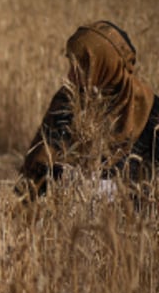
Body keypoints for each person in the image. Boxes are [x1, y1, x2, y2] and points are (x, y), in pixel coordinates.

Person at [18, 21, 159, 202]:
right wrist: (67, 178)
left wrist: (115, 192)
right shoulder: (66, 101)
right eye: (70, 65)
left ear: (106, 68)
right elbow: (35, 176)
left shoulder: (152, 115)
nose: (69, 76)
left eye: (80, 68)